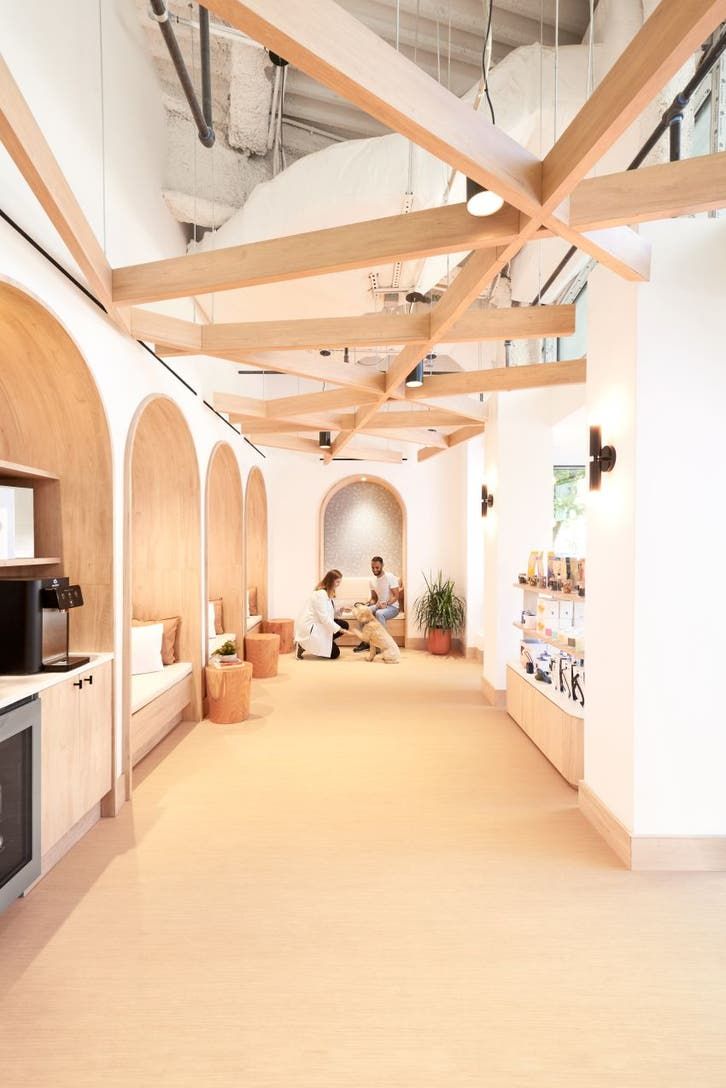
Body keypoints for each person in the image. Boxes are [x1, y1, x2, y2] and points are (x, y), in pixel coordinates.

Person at [294, 569, 350, 660]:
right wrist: (340, 629)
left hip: (321, 625)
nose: (338, 585)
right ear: (331, 581)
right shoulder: (320, 594)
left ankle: (326, 642)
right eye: (337, 582)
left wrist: (341, 610)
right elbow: (324, 618)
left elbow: (330, 614)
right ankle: (302, 645)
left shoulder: (328, 593)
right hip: (313, 628)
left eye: (340, 582)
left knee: (344, 624)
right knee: (335, 653)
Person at [354, 555, 400, 653]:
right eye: (373, 568)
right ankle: (366, 642)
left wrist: (387, 603)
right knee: (363, 612)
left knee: (379, 613)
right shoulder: (372, 581)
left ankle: (383, 643)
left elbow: (396, 596)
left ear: (382, 565)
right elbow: (374, 599)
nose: (375, 570)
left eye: (377, 567)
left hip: (392, 607)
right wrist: (367, 604)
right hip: (380, 605)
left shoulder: (390, 577)